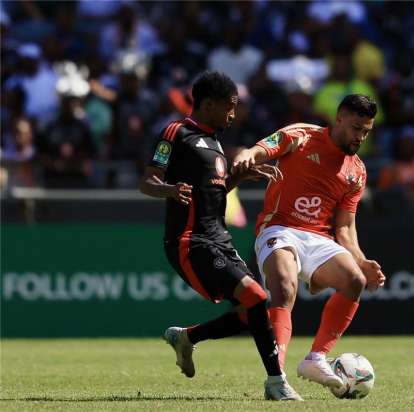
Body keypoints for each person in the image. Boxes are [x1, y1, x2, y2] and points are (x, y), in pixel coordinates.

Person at [139, 71, 302, 401]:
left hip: (220, 239)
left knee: (252, 309)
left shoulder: (215, 143)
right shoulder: (176, 132)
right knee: (255, 296)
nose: (233, 113)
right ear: (209, 104)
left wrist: (238, 178)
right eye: (230, 106)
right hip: (189, 241)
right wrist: (169, 189)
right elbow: (147, 181)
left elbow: (214, 194)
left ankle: (187, 338)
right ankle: (276, 383)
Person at [231, 94, 386, 390]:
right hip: (279, 228)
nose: (360, 137)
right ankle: (277, 376)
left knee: (354, 280)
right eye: (356, 128)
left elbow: (344, 228)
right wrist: (247, 155)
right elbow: (264, 148)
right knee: (285, 287)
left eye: (366, 131)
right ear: (338, 118)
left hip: (318, 237)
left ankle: (316, 358)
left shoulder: (357, 171)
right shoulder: (302, 135)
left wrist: (361, 260)